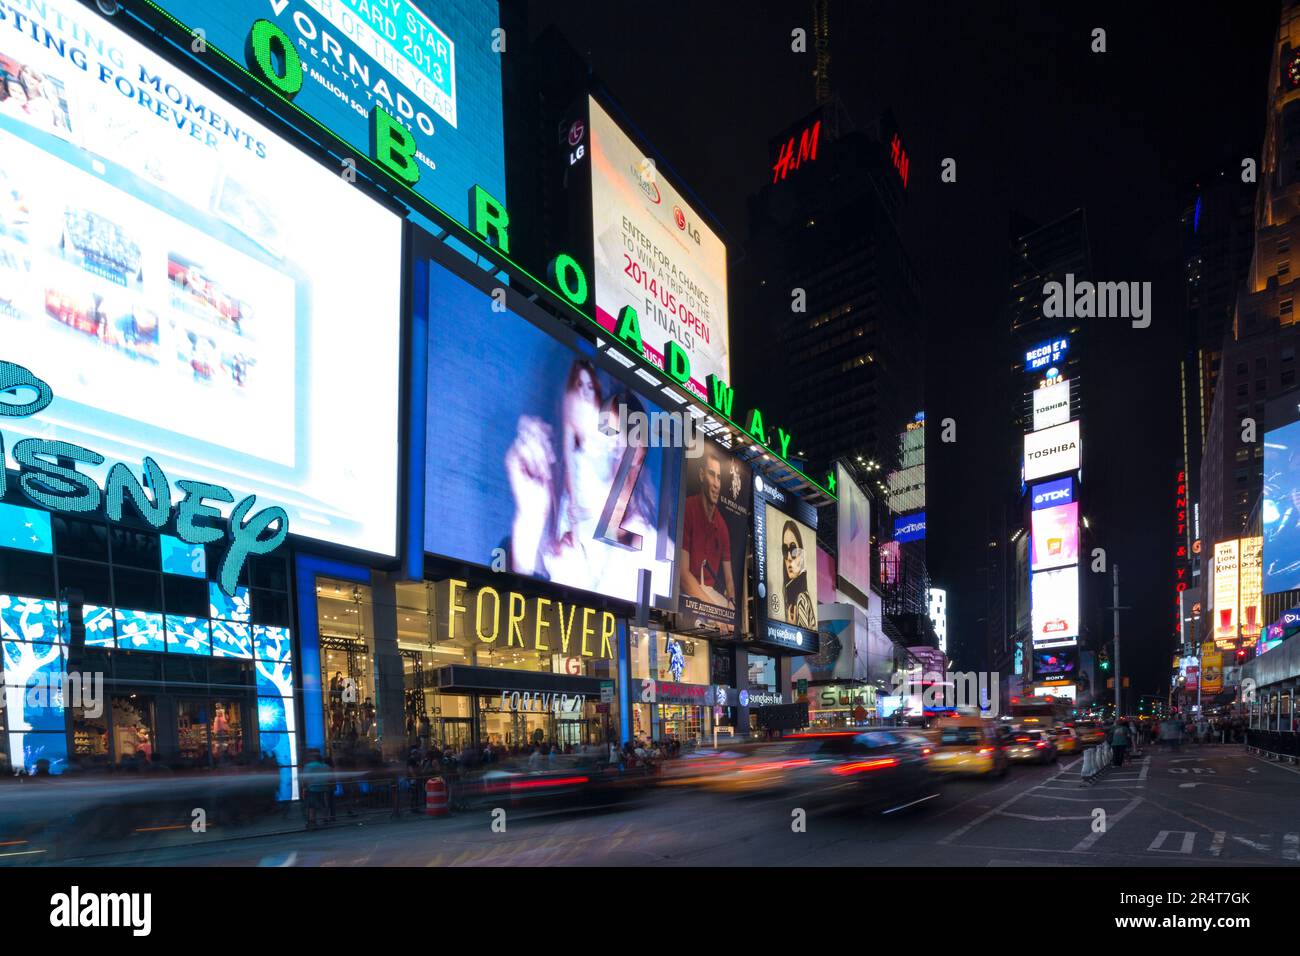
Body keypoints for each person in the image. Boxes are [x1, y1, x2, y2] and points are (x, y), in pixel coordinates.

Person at [504, 360, 664, 597]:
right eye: (578, 445)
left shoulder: (649, 549)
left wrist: (573, 583)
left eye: (611, 450)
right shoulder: (545, 505)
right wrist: (528, 522)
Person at [679, 448, 736, 617]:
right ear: (702, 475)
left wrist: (731, 602)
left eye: (719, 477)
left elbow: (729, 580)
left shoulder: (722, 527)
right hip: (686, 594)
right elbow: (683, 574)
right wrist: (715, 611)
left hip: (708, 597)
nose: (716, 484)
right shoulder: (688, 509)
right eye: (712, 475)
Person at [779, 520, 816, 628]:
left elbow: (803, 641)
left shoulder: (801, 599)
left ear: (802, 556)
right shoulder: (794, 596)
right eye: (785, 550)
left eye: (794, 549)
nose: (789, 557)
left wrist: (792, 627)